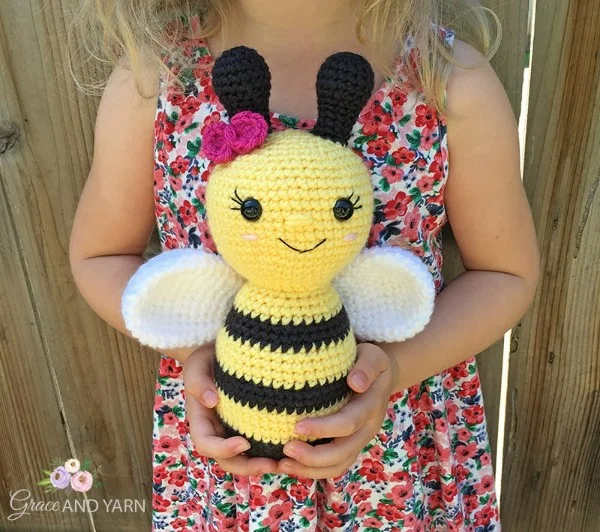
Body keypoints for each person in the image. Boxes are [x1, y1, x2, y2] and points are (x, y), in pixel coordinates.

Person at [69, 0, 539, 529]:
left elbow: (505, 273)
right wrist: (205, 357)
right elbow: (101, 256)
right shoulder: (155, 76)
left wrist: (388, 374)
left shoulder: (446, 79)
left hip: (397, 459)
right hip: (230, 457)